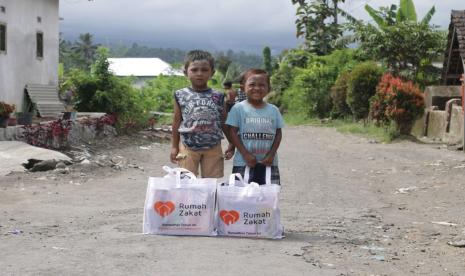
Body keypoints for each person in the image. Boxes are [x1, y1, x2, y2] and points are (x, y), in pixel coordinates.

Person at [170, 50, 233, 178]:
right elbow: (177, 121)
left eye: (204, 70)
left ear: (212, 73)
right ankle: (188, 200)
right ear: (185, 72)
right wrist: (174, 146)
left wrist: (231, 143)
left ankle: (208, 199)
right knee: (186, 183)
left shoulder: (218, 96)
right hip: (188, 146)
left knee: (210, 185)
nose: (199, 73)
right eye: (194, 70)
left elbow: (224, 121)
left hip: (213, 147)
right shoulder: (180, 95)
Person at [226, 68, 284, 185]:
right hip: (243, 162)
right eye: (252, 84)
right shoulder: (238, 108)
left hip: (269, 162)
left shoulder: (274, 110)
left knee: (268, 196)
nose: (257, 88)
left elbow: (278, 133)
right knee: (241, 196)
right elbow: (232, 132)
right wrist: (245, 154)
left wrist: (271, 155)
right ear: (243, 88)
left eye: (262, 85)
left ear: (269, 89)